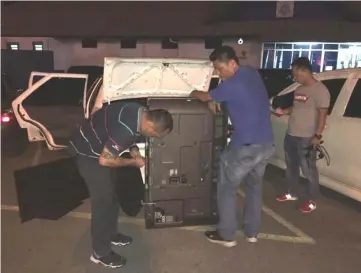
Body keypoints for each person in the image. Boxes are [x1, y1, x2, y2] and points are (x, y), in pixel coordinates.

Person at [68, 101, 173, 268]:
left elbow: (127, 137)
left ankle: (111, 234)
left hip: (100, 149)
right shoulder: (128, 129)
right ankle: (99, 253)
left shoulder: (140, 112)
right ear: (150, 124)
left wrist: (135, 153)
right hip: (88, 153)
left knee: (112, 196)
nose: (152, 137)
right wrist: (133, 163)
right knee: (102, 203)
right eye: (154, 134)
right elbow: (106, 160)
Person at [190, 45, 275, 247]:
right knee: (254, 187)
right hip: (266, 143)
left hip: (245, 145)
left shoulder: (232, 84)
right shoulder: (251, 74)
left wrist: (194, 92)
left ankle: (226, 234)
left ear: (232, 63)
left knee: (227, 188)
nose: (219, 73)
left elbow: (206, 97)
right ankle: (252, 232)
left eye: (220, 69)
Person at [274, 57, 330, 213]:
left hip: (306, 137)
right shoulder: (299, 89)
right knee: (291, 166)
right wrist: (284, 112)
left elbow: (322, 114)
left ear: (304, 70)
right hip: (291, 134)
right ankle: (292, 192)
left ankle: (312, 200)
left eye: (295, 73)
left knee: (308, 170)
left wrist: (317, 136)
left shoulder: (321, 91)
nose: (294, 77)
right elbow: (296, 108)